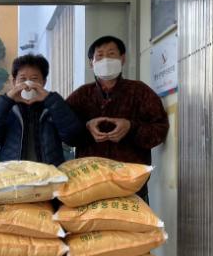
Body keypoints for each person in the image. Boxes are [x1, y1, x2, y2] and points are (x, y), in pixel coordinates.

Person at [66, 35, 169, 201]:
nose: (105, 60)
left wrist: (131, 127)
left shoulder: (140, 92)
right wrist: (86, 127)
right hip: (90, 185)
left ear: (122, 59)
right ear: (91, 63)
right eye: (100, 56)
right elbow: (66, 133)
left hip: (131, 186)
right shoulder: (81, 96)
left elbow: (160, 130)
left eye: (111, 54)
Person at [0, 53, 83, 165]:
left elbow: (73, 137)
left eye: (34, 79)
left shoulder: (52, 105)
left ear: (44, 82)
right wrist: (7, 100)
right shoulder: (7, 107)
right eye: (22, 79)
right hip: (13, 173)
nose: (28, 84)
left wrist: (51, 100)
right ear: (14, 82)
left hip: (48, 172)